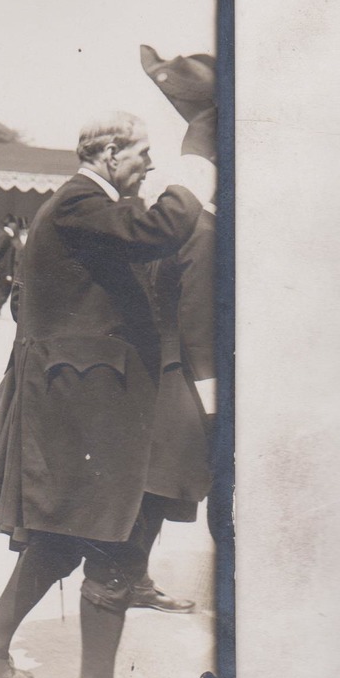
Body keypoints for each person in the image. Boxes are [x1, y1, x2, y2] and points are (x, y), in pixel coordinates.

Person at [0, 111, 202, 678]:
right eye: (142, 154)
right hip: (85, 408)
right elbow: (160, 228)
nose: (148, 165)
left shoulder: (79, 207)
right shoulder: (79, 202)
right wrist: (195, 176)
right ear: (109, 153)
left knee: (65, 537)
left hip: (81, 401)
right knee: (114, 539)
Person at [130, 43, 222, 611]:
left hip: (157, 363)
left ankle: (130, 576)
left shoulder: (163, 219)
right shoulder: (204, 231)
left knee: (158, 481)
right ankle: (126, 578)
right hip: (182, 371)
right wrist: (211, 390)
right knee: (169, 479)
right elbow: (197, 317)